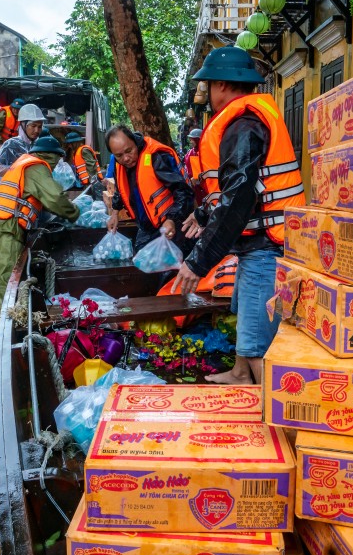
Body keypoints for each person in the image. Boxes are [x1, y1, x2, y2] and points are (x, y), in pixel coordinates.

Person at [171, 46, 305, 385]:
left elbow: (236, 201)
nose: (209, 95)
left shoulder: (243, 125)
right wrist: (202, 214)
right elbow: (237, 190)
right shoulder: (249, 120)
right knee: (247, 312)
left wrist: (197, 262)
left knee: (259, 339)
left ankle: (272, 413)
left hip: (266, 246)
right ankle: (240, 373)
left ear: (222, 85)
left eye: (210, 86)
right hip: (259, 243)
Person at [0, 135, 80, 309]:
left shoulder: (25, 163)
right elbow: (54, 198)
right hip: (8, 225)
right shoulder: (37, 166)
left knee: (4, 276)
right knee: (8, 279)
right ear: (50, 156)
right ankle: (6, 319)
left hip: (3, 225)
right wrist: (75, 214)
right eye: (56, 159)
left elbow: (40, 200)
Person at [106, 125, 193, 252]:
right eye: (119, 155)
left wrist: (171, 220)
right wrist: (115, 214)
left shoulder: (157, 156)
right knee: (142, 262)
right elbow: (121, 189)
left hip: (171, 225)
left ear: (135, 142)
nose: (125, 158)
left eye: (129, 151)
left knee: (171, 267)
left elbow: (184, 191)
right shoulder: (119, 164)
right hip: (147, 227)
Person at [0, 103, 46, 189]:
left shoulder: (42, 144)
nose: (37, 130)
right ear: (23, 125)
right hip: (15, 193)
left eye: (39, 127)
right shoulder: (11, 144)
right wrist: (21, 170)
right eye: (33, 126)